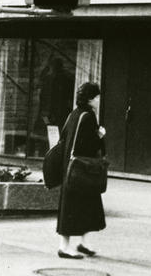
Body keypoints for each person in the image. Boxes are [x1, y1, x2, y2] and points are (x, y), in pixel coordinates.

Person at [56, 80, 107, 260]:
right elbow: (89, 145)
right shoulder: (89, 116)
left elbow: (64, 139)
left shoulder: (74, 114)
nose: (99, 100)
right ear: (91, 99)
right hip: (82, 170)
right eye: (97, 97)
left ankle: (83, 243)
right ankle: (65, 247)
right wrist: (100, 136)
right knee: (77, 206)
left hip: (69, 169)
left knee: (83, 205)